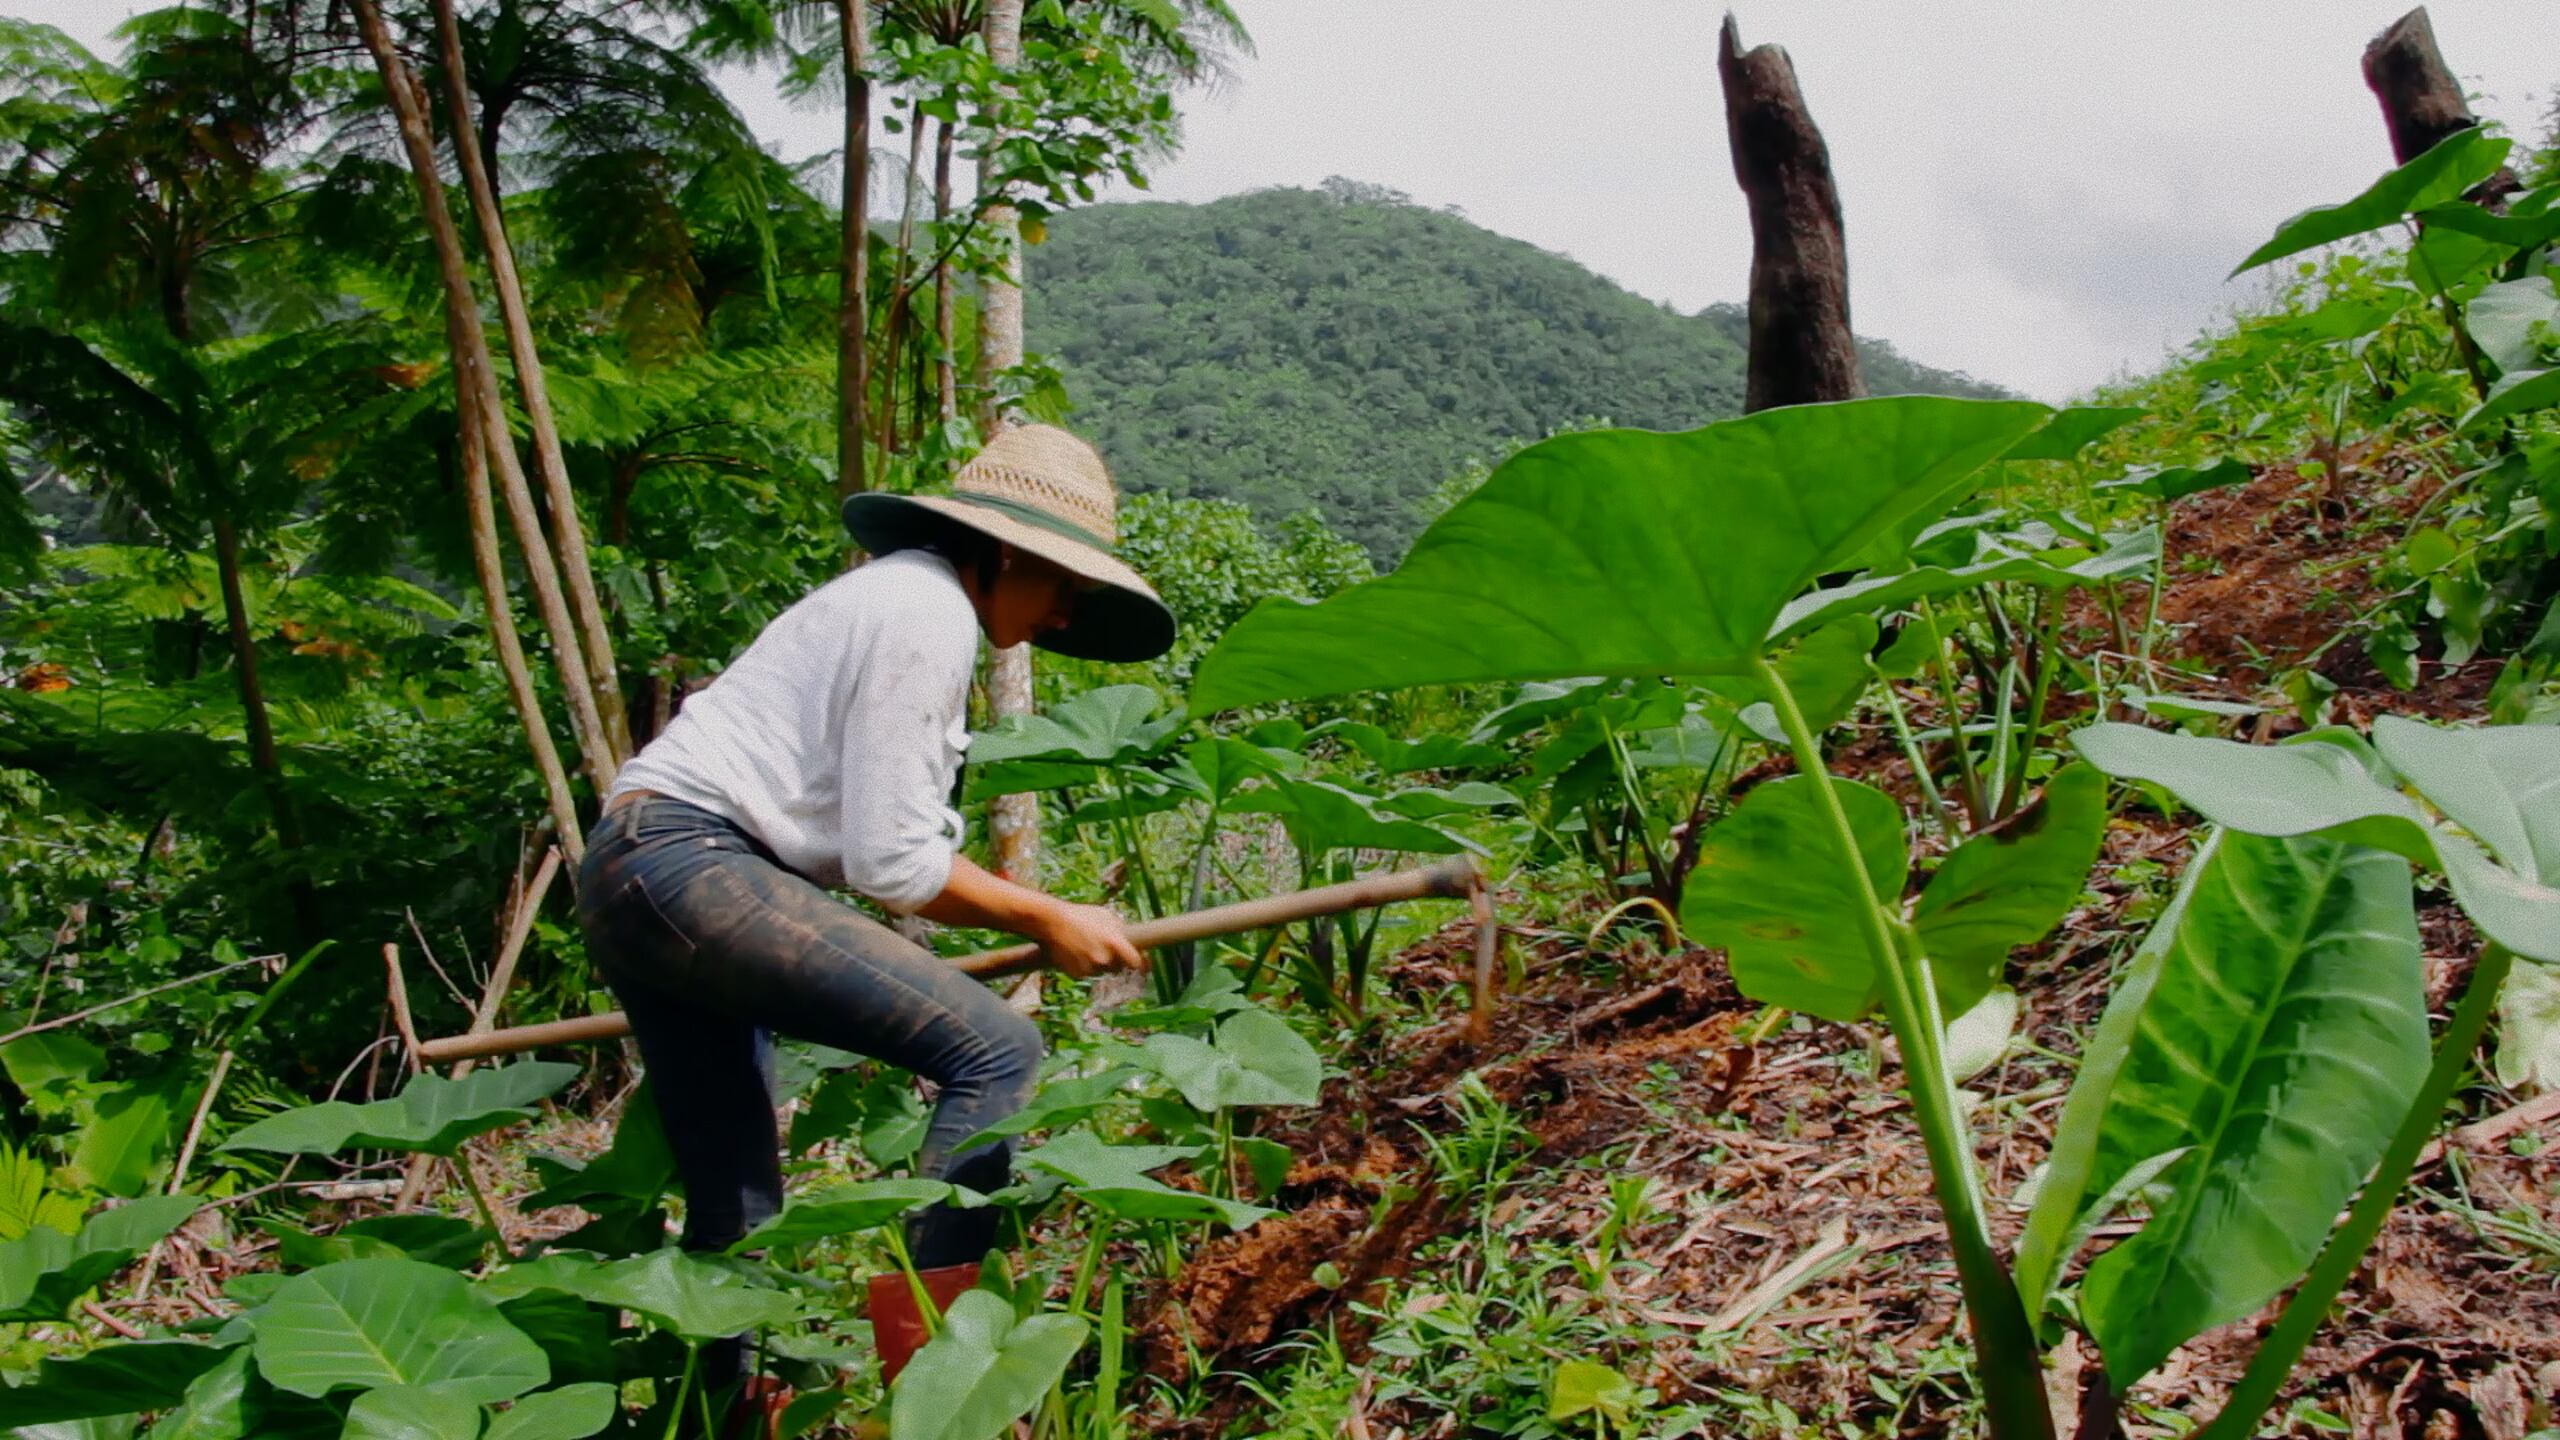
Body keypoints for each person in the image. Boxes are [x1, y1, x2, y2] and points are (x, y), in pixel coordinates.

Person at [574, 424, 1177, 1402]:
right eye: (1062, 581)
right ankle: (931, 1389)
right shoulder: (927, 610)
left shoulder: (896, 595)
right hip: (691, 863)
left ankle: (724, 1416)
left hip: (632, 871)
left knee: (737, 1201)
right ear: (1006, 553)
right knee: (997, 1053)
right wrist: (1046, 915)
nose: (1067, 610)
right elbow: (890, 862)